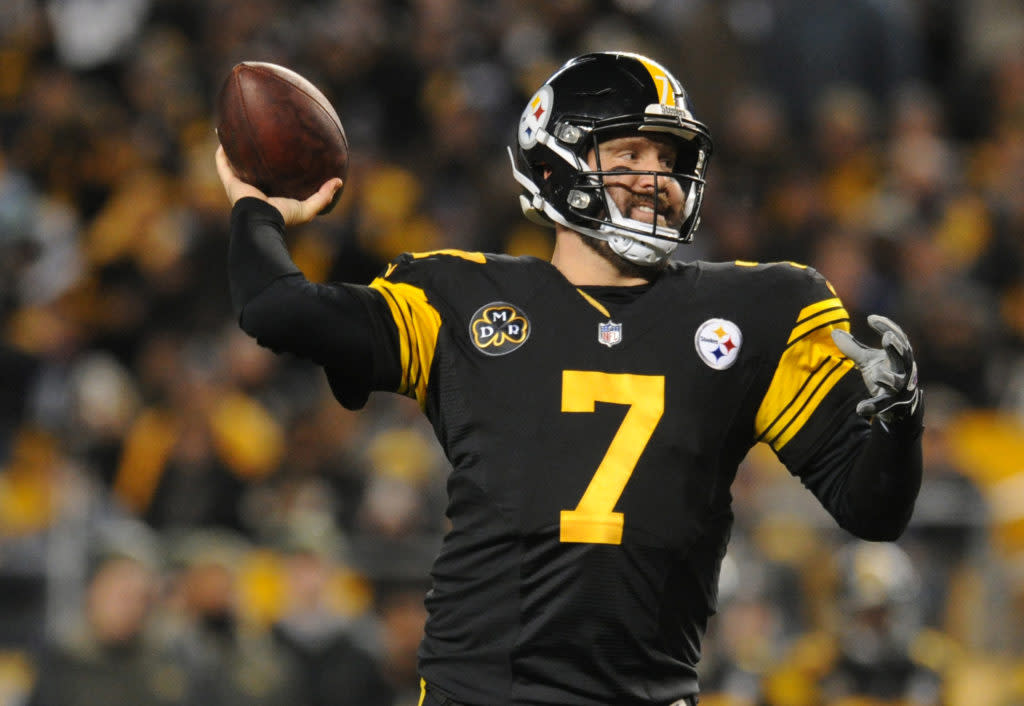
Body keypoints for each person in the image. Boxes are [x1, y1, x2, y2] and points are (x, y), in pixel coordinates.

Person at [215, 51, 925, 706]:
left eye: (668, 158)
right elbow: (279, 311)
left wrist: (896, 421)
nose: (657, 180)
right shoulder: (458, 297)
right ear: (557, 165)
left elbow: (870, 510)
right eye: (629, 153)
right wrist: (258, 209)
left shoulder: (759, 309)